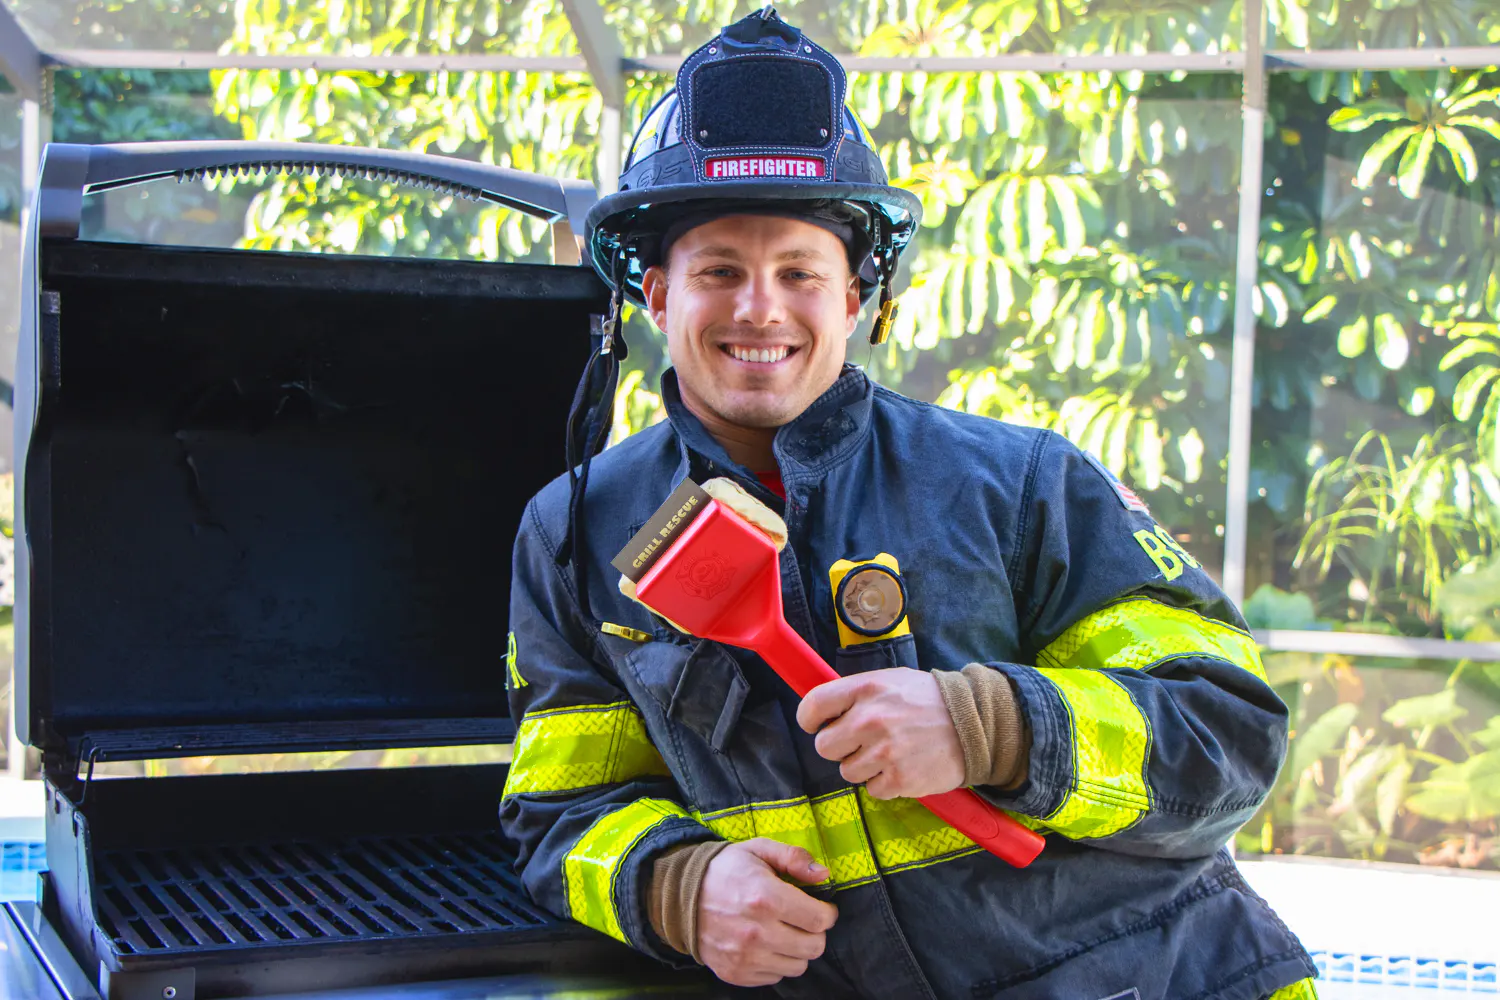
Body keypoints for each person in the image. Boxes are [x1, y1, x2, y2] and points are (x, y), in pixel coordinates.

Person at [499, 9, 1319, 998]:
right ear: (657, 297)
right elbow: (563, 806)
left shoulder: (1022, 483)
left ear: (854, 301)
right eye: (719, 270)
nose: (760, 306)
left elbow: (1227, 735)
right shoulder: (577, 533)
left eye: (799, 271)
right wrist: (680, 885)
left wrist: (996, 724)